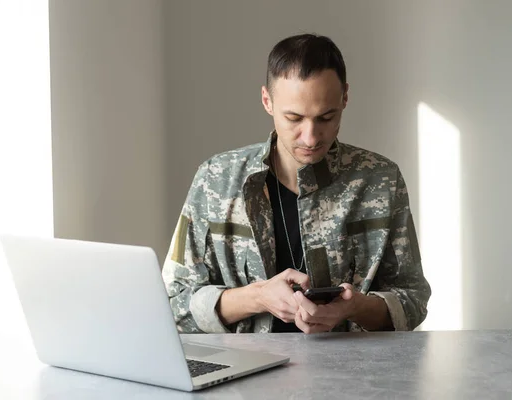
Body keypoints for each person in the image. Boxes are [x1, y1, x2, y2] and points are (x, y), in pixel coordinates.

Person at [162, 33, 431, 334]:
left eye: (326, 117)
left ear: (345, 97)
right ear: (267, 101)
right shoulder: (216, 180)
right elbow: (173, 303)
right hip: (245, 374)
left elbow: (414, 300)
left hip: (351, 376)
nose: (311, 137)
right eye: (293, 118)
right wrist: (258, 298)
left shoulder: (380, 179)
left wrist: (355, 307)